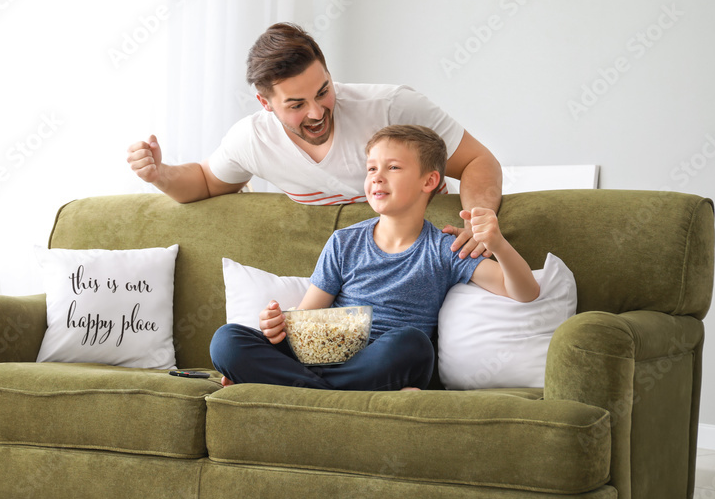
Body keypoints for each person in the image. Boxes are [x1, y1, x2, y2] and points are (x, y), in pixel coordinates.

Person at [127, 22, 503, 260]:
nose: (316, 112)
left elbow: (477, 161)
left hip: (426, 253)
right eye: (295, 104)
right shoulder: (252, 139)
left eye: (323, 91)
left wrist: (479, 220)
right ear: (265, 104)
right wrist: (160, 174)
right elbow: (206, 182)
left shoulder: (392, 106)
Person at [208, 125, 539, 391]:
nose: (377, 176)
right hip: (330, 343)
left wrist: (496, 243)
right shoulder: (344, 242)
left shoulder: (444, 248)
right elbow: (308, 319)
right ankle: (326, 392)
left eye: (393, 167)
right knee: (227, 340)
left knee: (414, 344)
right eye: (371, 168)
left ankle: (289, 386)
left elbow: (525, 291)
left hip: (385, 355)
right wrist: (277, 326)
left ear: (430, 181)